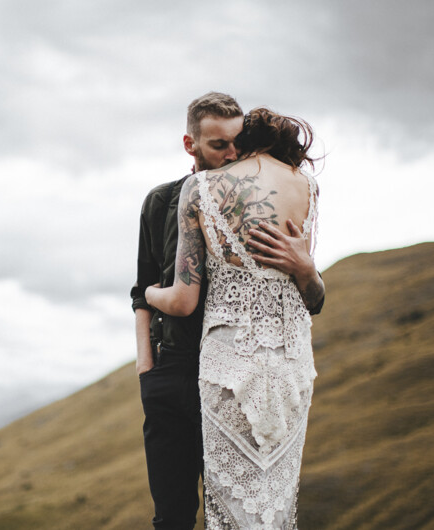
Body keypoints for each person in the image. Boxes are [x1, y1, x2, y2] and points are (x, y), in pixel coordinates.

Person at [131, 94, 324, 529]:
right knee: (172, 516)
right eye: (219, 145)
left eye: (239, 143)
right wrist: (147, 369)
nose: (233, 154)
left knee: (243, 510)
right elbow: (141, 290)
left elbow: (310, 301)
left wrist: (305, 268)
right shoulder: (162, 201)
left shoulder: (262, 197)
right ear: (191, 144)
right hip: (175, 372)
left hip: (237, 376)